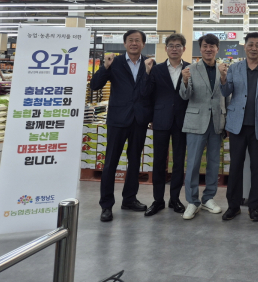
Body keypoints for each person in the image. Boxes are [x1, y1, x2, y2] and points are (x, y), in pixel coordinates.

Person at [90, 30, 153, 222]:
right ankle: (106, 205)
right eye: (130, 40)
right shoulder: (114, 62)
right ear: (125, 43)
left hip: (139, 120)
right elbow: (95, 85)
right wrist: (105, 67)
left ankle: (129, 199)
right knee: (111, 162)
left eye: (138, 40)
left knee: (134, 161)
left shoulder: (149, 64)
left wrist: (150, 116)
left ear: (143, 44)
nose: (134, 43)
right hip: (118, 119)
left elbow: (151, 92)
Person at [220, 32, 258, 222]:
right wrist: (222, 78)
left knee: (257, 168)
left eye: (257, 45)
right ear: (245, 47)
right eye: (250, 44)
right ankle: (233, 206)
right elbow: (225, 92)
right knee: (235, 166)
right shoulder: (234, 68)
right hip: (237, 125)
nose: (254, 48)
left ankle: (254, 206)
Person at [140, 33, 189, 217]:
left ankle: (175, 199)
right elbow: (147, 94)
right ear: (166, 49)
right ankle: (158, 200)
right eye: (171, 46)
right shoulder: (156, 69)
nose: (174, 49)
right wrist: (146, 72)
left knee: (178, 161)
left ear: (184, 49)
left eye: (178, 46)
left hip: (182, 120)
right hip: (160, 119)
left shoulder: (191, 69)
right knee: (159, 161)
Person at [179, 34, 227, 220]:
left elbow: (227, 95)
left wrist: (227, 121)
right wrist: (184, 81)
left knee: (214, 163)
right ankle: (192, 201)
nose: (208, 49)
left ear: (217, 49)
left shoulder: (223, 69)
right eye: (205, 46)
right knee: (193, 163)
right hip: (196, 122)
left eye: (212, 46)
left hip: (217, 122)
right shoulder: (190, 69)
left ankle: (208, 198)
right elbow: (185, 96)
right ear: (200, 49)